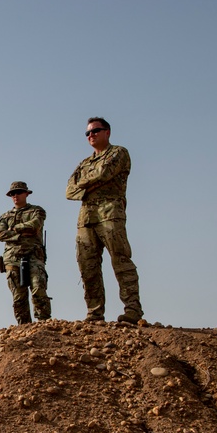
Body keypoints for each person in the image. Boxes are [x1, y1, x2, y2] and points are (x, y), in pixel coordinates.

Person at [66, 117, 143, 324]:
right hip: (86, 219)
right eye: (88, 133)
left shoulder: (118, 152)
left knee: (121, 260)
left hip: (110, 214)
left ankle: (132, 310)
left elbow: (104, 173)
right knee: (87, 265)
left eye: (95, 131)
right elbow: (69, 191)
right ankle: (94, 313)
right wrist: (90, 183)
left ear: (107, 132)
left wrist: (85, 184)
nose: (91, 135)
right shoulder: (85, 163)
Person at [0, 182, 51, 325]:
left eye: (19, 192)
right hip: (12, 259)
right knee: (18, 297)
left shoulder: (36, 211)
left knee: (38, 289)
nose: (15, 196)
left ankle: (43, 323)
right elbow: (1, 235)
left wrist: (15, 228)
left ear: (26, 194)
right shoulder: (4, 217)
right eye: (13, 194)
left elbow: (34, 225)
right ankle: (24, 327)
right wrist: (20, 235)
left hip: (34, 255)